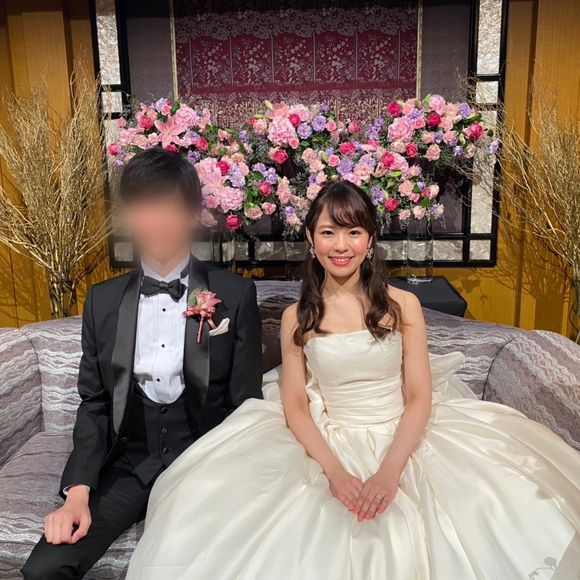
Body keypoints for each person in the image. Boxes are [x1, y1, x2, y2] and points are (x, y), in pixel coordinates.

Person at [127, 181, 580, 580]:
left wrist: (388, 473)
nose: (340, 245)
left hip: (404, 435)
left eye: (353, 232)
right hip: (329, 439)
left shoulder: (403, 306)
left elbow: (419, 397)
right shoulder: (296, 317)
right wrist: (337, 473)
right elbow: (296, 405)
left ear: (371, 238)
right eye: (328, 232)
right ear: (310, 238)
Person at [22, 148, 263, 579]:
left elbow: (246, 404)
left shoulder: (234, 294)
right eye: (145, 207)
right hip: (128, 465)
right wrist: (77, 493)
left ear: (193, 214)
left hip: (203, 465)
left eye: (170, 206)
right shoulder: (103, 300)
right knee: (46, 568)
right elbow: (95, 403)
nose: (158, 221)